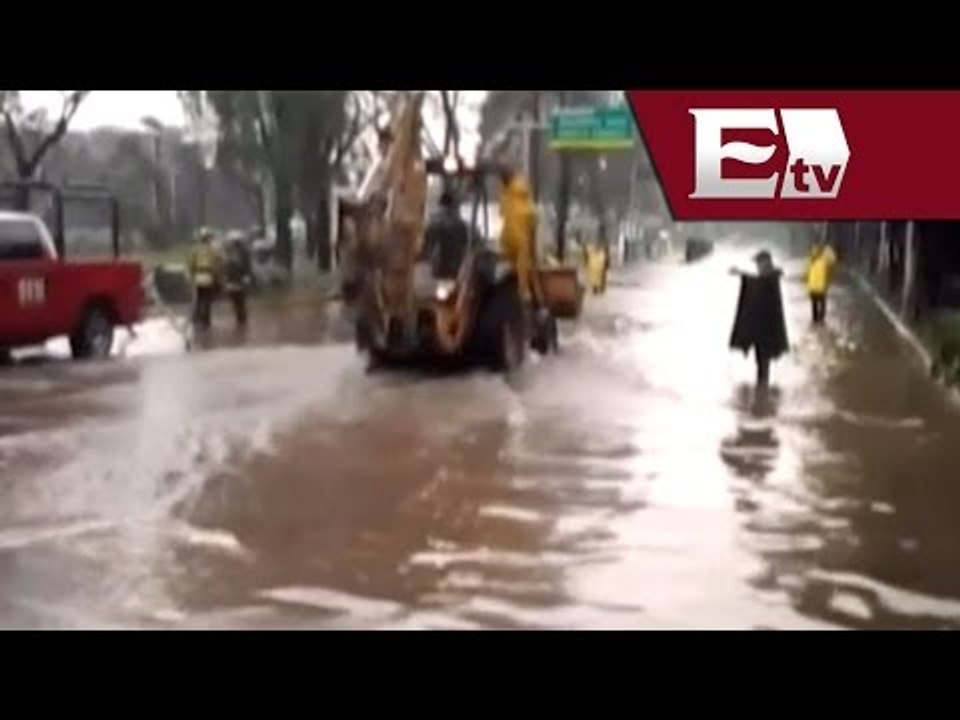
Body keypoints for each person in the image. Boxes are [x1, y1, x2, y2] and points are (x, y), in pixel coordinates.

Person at [729, 250, 789, 388]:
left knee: (763, 362)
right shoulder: (767, 278)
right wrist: (741, 274)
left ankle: (763, 391)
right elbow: (756, 283)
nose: (758, 266)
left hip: (768, 331)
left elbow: (758, 284)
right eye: (757, 264)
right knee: (760, 362)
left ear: (766, 262)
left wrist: (741, 274)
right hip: (760, 330)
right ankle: (762, 390)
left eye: (759, 263)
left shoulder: (771, 278)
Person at [498, 166, 542, 306]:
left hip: (509, 242)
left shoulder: (507, 195)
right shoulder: (523, 197)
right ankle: (529, 295)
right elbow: (533, 220)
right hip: (519, 242)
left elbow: (502, 214)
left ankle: (526, 295)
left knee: (521, 268)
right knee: (525, 268)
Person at [422, 189, 468, 279]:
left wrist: (427, 255)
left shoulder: (434, 222)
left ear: (440, 205)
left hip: (439, 264)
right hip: (454, 265)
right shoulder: (460, 223)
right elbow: (464, 245)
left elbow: (427, 243)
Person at [187, 227, 221, 330]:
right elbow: (217, 264)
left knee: (198, 298)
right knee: (207, 299)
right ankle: (205, 320)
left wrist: (191, 276)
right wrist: (217, 278)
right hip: (209, 276)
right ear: (208, 238)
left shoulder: (195, 249)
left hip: (198, 276)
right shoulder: (213, 250)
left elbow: (190, 264)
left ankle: (196, 319)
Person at [223, 230, 253, 328]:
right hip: (233, 279)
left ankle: (242, 318)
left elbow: (247, 265)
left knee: (240, 300)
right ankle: (240, 318)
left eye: (236, 242)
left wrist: (247, 276)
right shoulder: (228, 252)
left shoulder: (244, 252)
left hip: (239, 278)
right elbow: (225, 267)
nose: (235, 243)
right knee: (236, 300)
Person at [806, 239, 838, 324]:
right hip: (821, 284)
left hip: (813, 284)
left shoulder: (812, 256)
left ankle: (815, 320)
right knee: (821, 302)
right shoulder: (825, 256)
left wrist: (805, 281)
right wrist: (828, 249)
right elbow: (833, 260)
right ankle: (821, 319)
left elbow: (807, 270)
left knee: (815, 304)